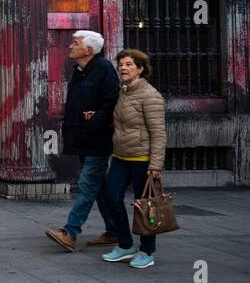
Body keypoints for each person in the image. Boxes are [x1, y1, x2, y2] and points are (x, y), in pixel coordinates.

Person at [45, 30, 120, 251]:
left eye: (75, 43)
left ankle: (70, 232)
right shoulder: (80, 70)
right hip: (82, 138)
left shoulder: (104, 69)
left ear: (88, 49)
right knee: (99, 187)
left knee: (87, 184)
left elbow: (111, 101)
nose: (70, 46)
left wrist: (94, 120)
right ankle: (114, 230)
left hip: (97, 139)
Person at [101, 48, 166, 269]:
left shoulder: (150, 95)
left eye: (128, 64)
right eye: (121, 64)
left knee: (146, 206)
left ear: (140, 68)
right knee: (111, 197)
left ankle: (147, 251)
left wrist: (155, 164)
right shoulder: (124, 92)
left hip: (143, 159)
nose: (123, 68)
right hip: (121, 156)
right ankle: (125, 244)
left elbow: (158, 132)